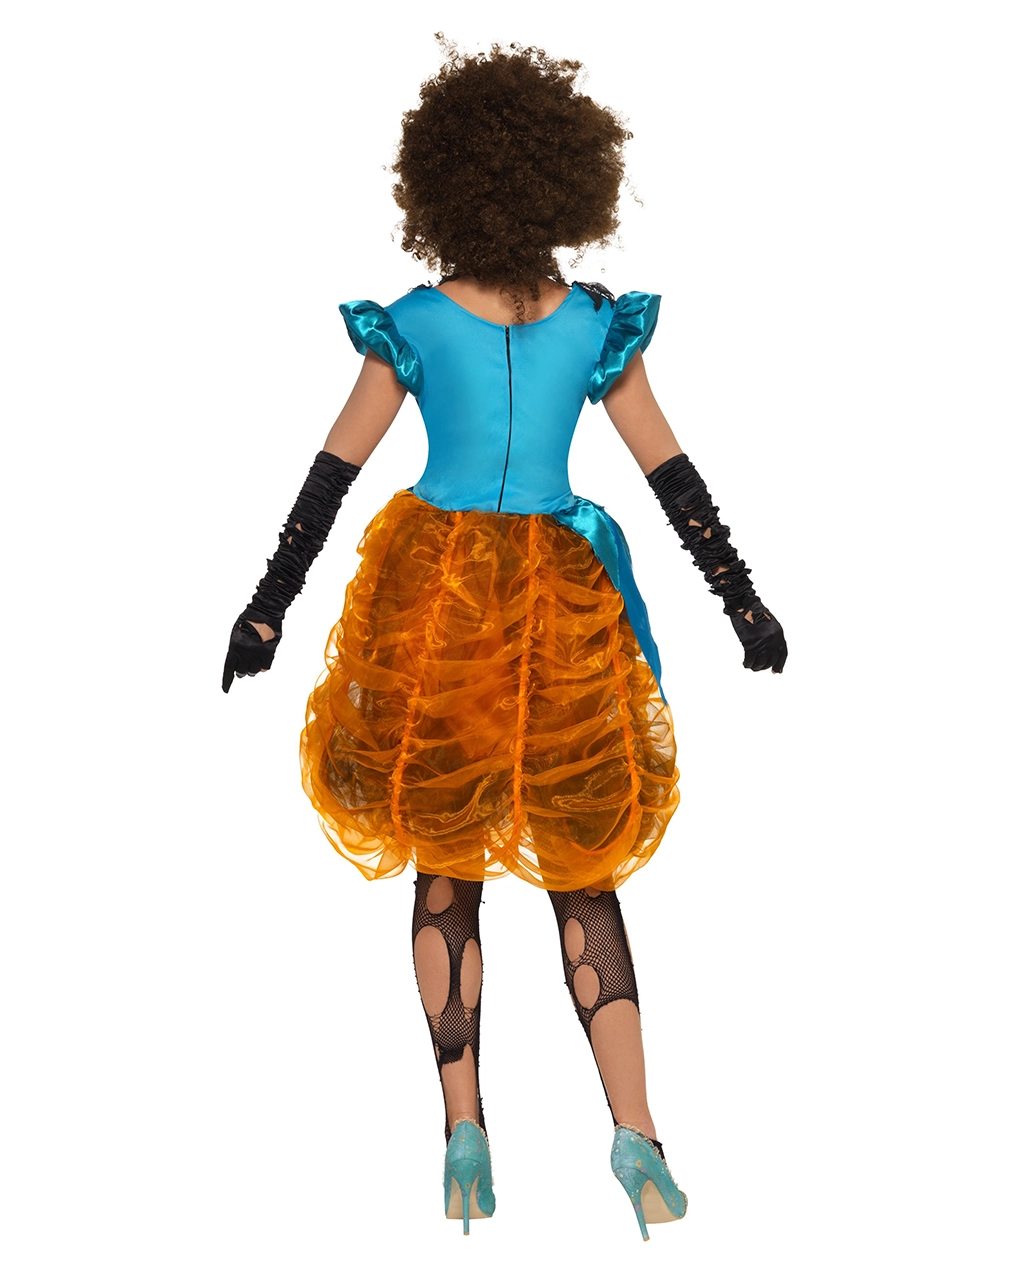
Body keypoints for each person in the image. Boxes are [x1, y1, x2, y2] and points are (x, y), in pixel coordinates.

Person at [223, 38, 786, 1242]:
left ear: (446, 182)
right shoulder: (594, 326)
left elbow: (330, 473)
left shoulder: (418, 324)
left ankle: (463, 1131)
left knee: (446, 859)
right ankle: (637, 1133)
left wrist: (269, 603)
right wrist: (740, 597)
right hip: (559, 601)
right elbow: (673, 473)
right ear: (563, 177)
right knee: (583, 862)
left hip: (439, 604)